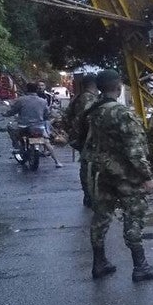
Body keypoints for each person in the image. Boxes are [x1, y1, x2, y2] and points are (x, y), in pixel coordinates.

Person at [81, 69, 153, 282]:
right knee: (134, 215)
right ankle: (140, 267)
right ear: (118, 87)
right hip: (124, 175)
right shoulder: (122, 113)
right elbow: (135, 150)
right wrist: (147, 177)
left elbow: (80, 137)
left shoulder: (92, 110)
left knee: (101, 216)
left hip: (99, 172)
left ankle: (99, 263)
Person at [3, 82, 63, 168]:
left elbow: (13, 111)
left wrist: (5, 114)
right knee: (46, 142)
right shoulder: (43, 101)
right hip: (39, 126)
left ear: (27, 89)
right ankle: (57, 162)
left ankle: (16, 147)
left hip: (23, 126)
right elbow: (46, 114)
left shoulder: (21, 100)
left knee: (10, 128)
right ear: (37, 90)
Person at [63, 73, 100, 207]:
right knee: (91, 168)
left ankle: (89, 196)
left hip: (80, 139)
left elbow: (66, 117)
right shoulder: (90, 99)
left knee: (86, 167)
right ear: (95, 85)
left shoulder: (77, 98)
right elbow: (90, 121)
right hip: (89, 139)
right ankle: (91, 196)